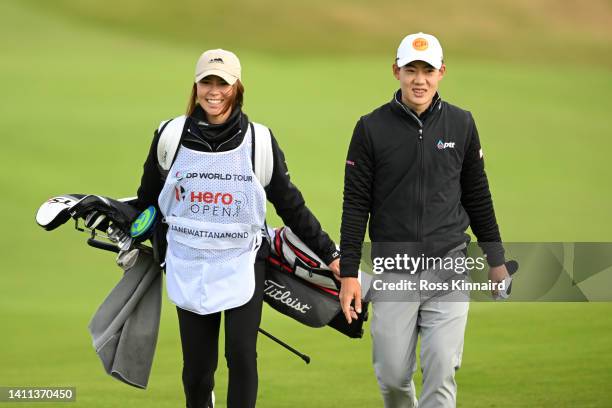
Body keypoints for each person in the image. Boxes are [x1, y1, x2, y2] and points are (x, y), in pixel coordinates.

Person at [134, 49, 340, 408]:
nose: (214, 91)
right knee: (198, 369)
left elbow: (291, 205)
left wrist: (331, 254)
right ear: (196, 86)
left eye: (223, 83)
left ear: (237, 87)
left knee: (242, 355)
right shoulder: (169, 137)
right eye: (206, 82)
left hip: (244, 262)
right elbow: (147, 201)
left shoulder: (259, 142)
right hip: (188, 262)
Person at [338, 33, 509, 408]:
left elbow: (478, 196)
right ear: (396, 70)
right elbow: (355, 205)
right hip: (393, 271)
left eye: (428, 70)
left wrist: (496, 260)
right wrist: (350, 273)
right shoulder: (370, 128)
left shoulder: (461, 125)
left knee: (442, 368)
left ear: (442, 72)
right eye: (411, 70)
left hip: (448, 267)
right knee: (393, 377)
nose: (420, 79)